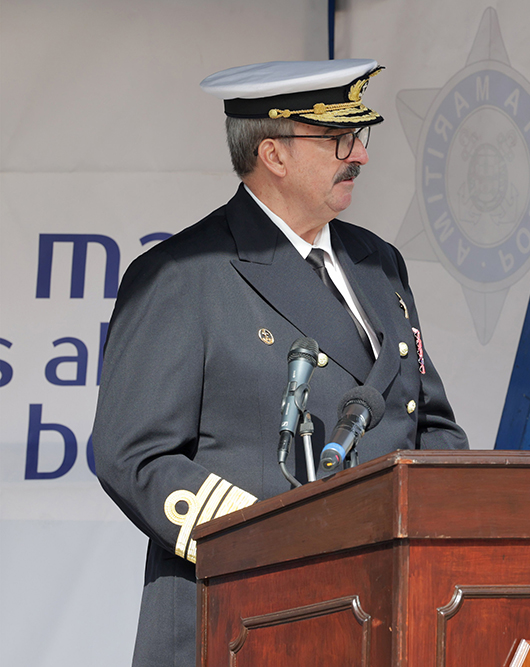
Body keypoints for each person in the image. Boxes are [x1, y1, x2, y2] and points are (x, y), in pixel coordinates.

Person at [93, 59, 468, 666]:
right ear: (274, 153)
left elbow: (432, 426)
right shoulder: (184, 275)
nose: (361, 156)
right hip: (247, 617)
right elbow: (132, 453)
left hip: (382, 613)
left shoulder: (378, 263)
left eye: (359, 137)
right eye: (340, 139)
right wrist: (270, 535)